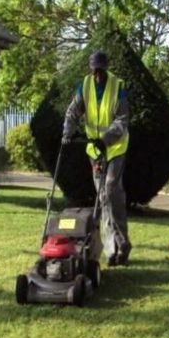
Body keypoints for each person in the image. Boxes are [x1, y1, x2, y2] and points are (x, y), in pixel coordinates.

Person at [61, 50, 131, 266]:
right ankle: (112, 251)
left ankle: (123, 244)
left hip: (116, 147)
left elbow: (122, 119)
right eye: (95, 71)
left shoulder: (117, 87)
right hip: (95, 151)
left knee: (110, 189)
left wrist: (106, 139)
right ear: (91, 70)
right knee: (103, 198)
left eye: (101, 70)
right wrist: (67, 133)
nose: (98, 75)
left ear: (106, 68)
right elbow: (73, 112)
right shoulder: (85, 86)